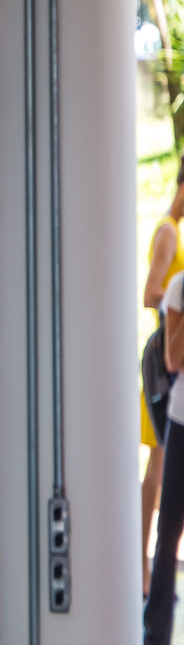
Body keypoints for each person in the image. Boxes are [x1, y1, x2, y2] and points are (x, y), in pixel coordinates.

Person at [139, 155, 184, 595]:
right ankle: (144, 568)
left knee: (159, 466)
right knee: (158, 469)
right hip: (163, 361)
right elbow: (150, 291)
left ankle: (146, 567)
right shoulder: (169, 231)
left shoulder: (171, 228)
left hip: (168, 359)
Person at [144, 265, 184, 645]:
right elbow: (173, 359)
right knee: (168, 529)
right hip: (181, 421)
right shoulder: (178, 287)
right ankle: (155, 636)